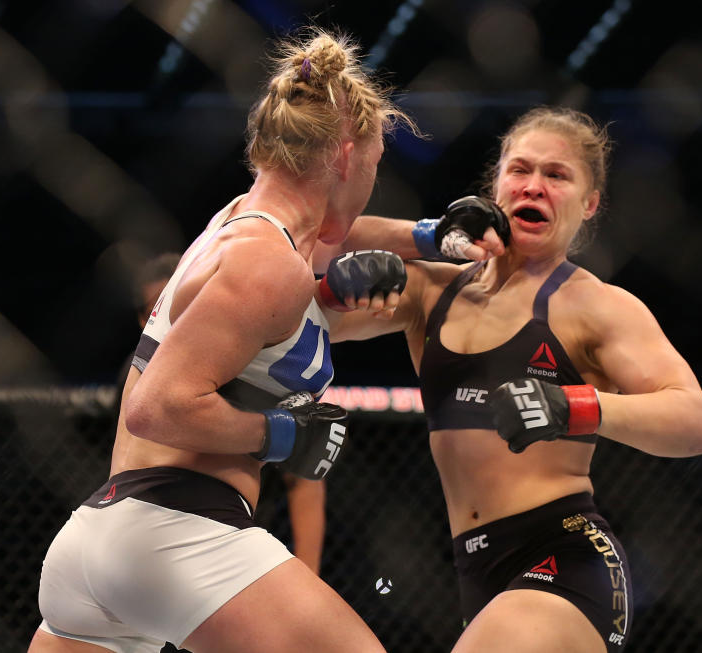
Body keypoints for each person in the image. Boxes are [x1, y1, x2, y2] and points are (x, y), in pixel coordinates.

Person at [28, 28, 414, 653]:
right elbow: (156, 407)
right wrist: (281, 436)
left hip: (99, 541)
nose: (371, 180)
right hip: (176, 533)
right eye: (372, 165)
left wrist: (425, 236)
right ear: (345, 158)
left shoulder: (237, 224)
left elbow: (323, 258)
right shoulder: (268, 263)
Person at [323, 106, 702, 653]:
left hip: (566, 559)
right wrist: (427, 235)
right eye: (521, 170)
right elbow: (316, 232)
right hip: (471, 572)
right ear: (496, 187)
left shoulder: (597, 307)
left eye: (557, 175)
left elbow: (695, 423)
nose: (535, 185)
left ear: (589, 203)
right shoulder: (433, 290)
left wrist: (572, 406)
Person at [120, 252, 329, 577]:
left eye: (194, 303)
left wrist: (310, 573)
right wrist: (272, 432)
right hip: (153, 530)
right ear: (147, 320)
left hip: (241, 536)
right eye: (164, 310)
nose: (183, 317)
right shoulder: (139, 376)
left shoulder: (254, 359)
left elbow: (302, 479)